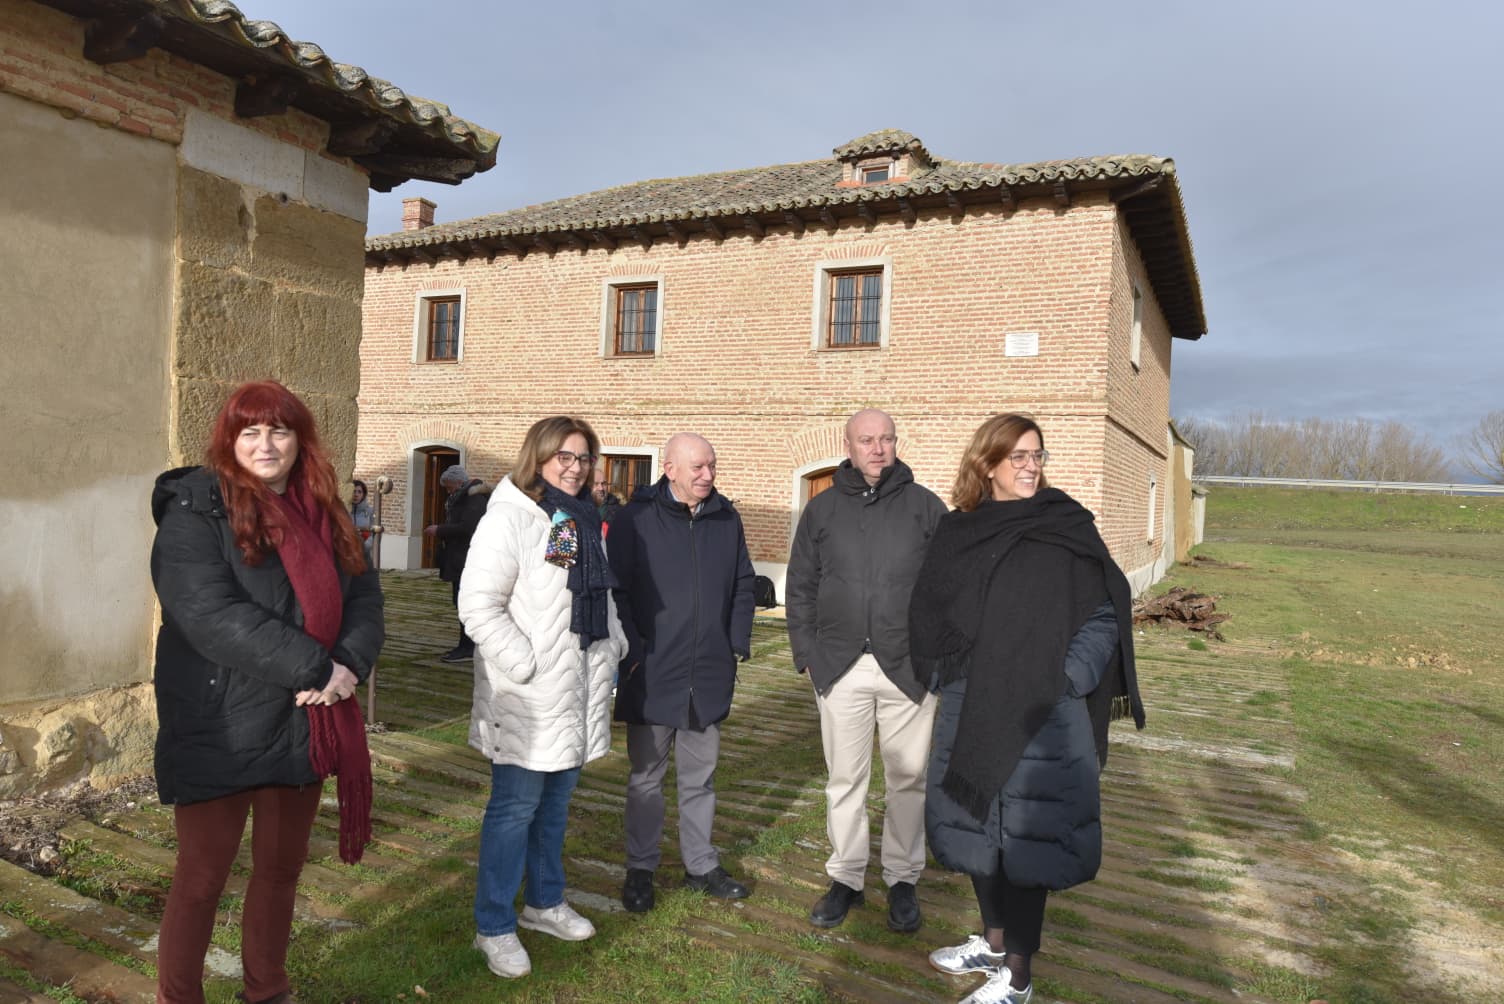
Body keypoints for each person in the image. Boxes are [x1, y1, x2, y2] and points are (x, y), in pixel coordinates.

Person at [149, 380, 384, 1004]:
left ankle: (268, 991)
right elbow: (208, 613)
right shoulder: (196, 511)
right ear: (229, 440)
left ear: (299, 439)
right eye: (250, 430)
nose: (266, 443)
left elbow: (364, 597)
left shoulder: (326, 511)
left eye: (279, 429)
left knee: (280, 873)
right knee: (202, 878)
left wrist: (349, 666)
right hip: (221, 720)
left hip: (305, 721)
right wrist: (318, 668)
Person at [908, 413, 1145, 1004]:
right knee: (975, 828)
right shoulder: (961, 530)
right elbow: (930, 607)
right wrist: (946, 671)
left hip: (1042, 709)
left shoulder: (1064, 527)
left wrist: (1067, 678)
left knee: (1027, 840)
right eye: (1017, 456)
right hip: (972, 702)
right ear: (986, 463)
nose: (1031, 466)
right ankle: (991, 942)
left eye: (1037, 455)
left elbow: (1105, 611)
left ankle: (1018, 975)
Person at [457, 416, 628, 980]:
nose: (575, 467)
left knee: (554, 809)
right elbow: (479, 606)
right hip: (528, 697)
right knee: (513, 812)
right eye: (565, 456)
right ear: (539, 457)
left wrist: (614, 642)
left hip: (573, 692)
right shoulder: (510, 519)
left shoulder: (567, 519)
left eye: (583, 458)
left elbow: (567, 595)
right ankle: (494, 926)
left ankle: (543, 903)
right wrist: (526, 663)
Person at [785, 408, 947, 933]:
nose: (878, 449)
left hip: (908, 668)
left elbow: (951, 590)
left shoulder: (925, 508)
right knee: (845, 780)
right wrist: (807, 653)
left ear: (896, 444)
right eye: (866, 440)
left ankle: (902, 878)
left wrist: (938, 655)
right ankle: (847, 878)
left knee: (907, 780)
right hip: (840, 666)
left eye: (886, 439)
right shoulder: (823, 509)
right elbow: (801, 585)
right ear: (848, 446)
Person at [610, 433, 756, 913]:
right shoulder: (635, 520)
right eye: (697, 468)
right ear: (669, 468)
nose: (708, 476)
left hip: (708, 671)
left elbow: (741, 584)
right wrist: (633, 650)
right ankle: (641, 869)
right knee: (646, 778)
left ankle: (700, 864)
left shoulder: (725, 519)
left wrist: (734, 642)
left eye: (712, 466)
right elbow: (619, 591)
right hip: (651, 670)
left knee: (701, 778)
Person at [425, 464, 491, 662]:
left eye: (449, 487)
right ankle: (465, 645)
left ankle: (468, 647)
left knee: (466, 603)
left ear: (458, 483)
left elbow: (468, 527)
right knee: (460, 603)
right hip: (459, 558)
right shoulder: (462, 497)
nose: (448, 491)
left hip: (468, 560)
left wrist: (440, 530)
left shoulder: (474, 498)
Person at [351, 479, 374, 564]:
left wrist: (365, 546)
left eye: (359, 492)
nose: (356, 494)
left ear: (363, 494)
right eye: (354, 491)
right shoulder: (344, 511)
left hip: (365, 554)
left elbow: (375, 534)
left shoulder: (370, 512)